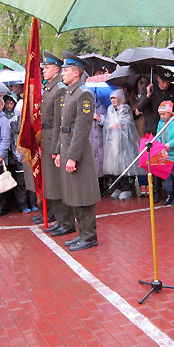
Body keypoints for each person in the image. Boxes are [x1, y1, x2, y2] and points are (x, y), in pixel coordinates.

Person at [54, 51, 101, 251]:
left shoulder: (84, 94)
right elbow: (63, 126)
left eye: (65, 70)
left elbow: (82, 129)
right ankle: (82, 233)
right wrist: (58, 151)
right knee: (74, 193)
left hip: (78, 151)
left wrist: (72, 157)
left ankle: (89, 236)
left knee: (83, 195)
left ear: (76, 73)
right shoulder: (70, 93)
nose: (62, 73)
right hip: (67, 148)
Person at [35, 52, 75, 236]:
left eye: (47, 68)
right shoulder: (49, 88)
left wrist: (58, 146)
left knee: (59, 183)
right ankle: (59, 219)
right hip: (47, 137)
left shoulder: (59, 88)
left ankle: (66, 221)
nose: (44, 71)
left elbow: (61, 121)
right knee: (51, 183)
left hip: (55, 138)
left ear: (57, 69)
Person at [136, 69, 174, 201]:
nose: (165, 85)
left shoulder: (173, 90)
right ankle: (155, 191)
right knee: (154, 163)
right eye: (163, 82)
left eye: (168, 82)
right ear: (158, 79)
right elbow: (139, 109)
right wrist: (147, 95)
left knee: (168, 161)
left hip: (169, 130)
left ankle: (171, 191)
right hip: (152, 129)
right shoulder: (150, 89)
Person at [102, 89, 141, 201]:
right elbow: (107, 122)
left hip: (123, 142)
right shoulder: (110, 109)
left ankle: (125, 189)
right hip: (112, 142)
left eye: (115, 98)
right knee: (113, 166)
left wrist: (117, 125)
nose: (113, 100)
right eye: (111, 98)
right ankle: (117, 187)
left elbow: (127, 122)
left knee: (122, 166)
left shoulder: (125, 109)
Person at [156, 100, 174, 205]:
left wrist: (170, 144)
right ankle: (169, 194)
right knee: (167, 175)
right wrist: (160, 145)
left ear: (169, 112)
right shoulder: (160, 123)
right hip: (165, 153)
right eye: (160, 114)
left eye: (163, 114)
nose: (162, 116)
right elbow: (158, 136)